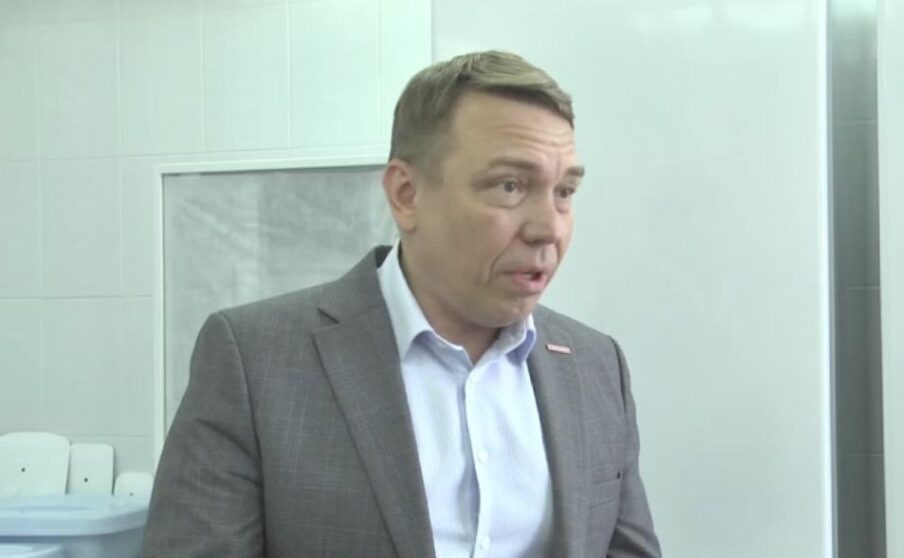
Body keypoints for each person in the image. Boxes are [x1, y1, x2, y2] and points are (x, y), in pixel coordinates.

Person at [143, 50, 660, 558]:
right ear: (406, 195)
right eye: (510, 186)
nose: (548, 228)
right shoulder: (256, 361)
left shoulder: (596, 367)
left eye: (564, 191)